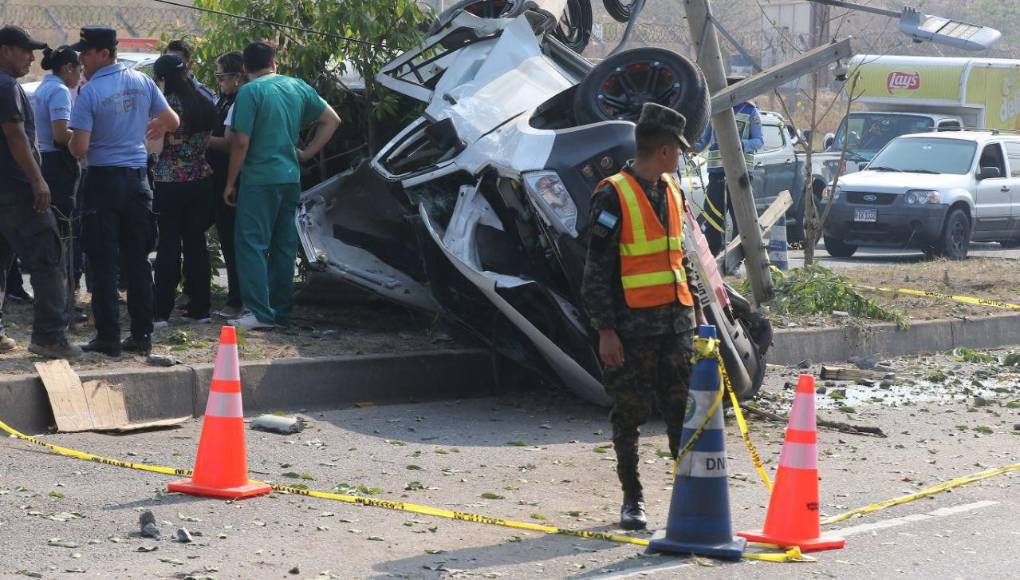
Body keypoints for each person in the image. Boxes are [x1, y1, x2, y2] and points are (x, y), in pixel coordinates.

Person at [580, 102, 704, 530]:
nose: (681, 156)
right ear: (665, 150)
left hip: (676, 324)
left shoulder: (673, 189)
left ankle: (688, 498)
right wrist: (606, 330)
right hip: (632, 329)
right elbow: (596, 270)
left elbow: (681, 256)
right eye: (679, 149)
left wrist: (697, 311)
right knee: (629, 414)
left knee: (681, 412)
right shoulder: (612, 194)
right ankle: (632, 499)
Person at [69, 26, 180, 357]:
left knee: (103, 262)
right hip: (137, 182)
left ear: (104, 53)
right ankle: (142, 335)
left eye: (86, 53)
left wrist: (72, 141)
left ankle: (108, 337)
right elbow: (173, 121)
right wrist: (157, 124)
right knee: (137, 261)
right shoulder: (142, 81)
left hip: (102, 182)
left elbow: (80, 148)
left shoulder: (90, 91)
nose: (81, 60)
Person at [224, 41, 340, 330]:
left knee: (251, 244)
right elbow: (331, 119)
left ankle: (259, 313)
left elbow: (240, 142)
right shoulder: (296, 86)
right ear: (274, 63)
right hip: (289, 176)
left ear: (245, 68)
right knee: (283, 245)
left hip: (259, 178)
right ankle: (280, 311)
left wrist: (230, 181)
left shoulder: (249, 92)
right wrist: (307, 153)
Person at [0, 25, 81, 359]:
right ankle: (49, 337)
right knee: (48, 260)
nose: (31, 59)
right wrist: (37, 180)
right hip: (18, 190)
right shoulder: (6, 85)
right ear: (5, 50)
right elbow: (15, 136)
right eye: (25, 51)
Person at [151, 54, 218, 327]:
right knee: (196, 243)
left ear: (162, 78)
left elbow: (155, 147)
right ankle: (200, 308)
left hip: (169, 181)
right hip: (200, 178)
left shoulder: (165, 107)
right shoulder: (205, 101)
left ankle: (161, 311)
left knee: (168, 245)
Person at [33, 45, 86, 318]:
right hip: (58, 165)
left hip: (44, 162)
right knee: (66, 233)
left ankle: (55, 299)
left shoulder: (43, 88)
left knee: (51, 234)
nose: (81, 75)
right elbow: (60, 134)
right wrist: (87, 138)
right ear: (68, 68)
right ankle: (66, 300)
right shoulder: (59, 91)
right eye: (79, 69)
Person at [694, 76, 763, 256]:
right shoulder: (716, 109)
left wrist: (742, 144)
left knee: (742, 218)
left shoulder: (750, 112)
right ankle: (714, 255)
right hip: (717, 173)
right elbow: (705, 140)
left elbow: (759, 141)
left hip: (741, 174)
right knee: (713, 215)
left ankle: (739, 257)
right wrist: (692, 147)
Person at [206, 51, 245, 319]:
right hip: (219, 176)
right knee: (227, 238)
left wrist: (201, 139)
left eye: (222, 77)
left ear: (237, 77)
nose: (219, 82)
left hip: (232, 177)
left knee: (233, 241)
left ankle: (237, 298)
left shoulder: (240, 101)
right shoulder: (225, 100)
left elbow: (232, 143)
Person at [164, 38, 216, 103]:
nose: (170, 67)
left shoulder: (204, 96)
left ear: (189, 64)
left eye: (176, 62)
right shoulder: (158, 92)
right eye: (167, 62)